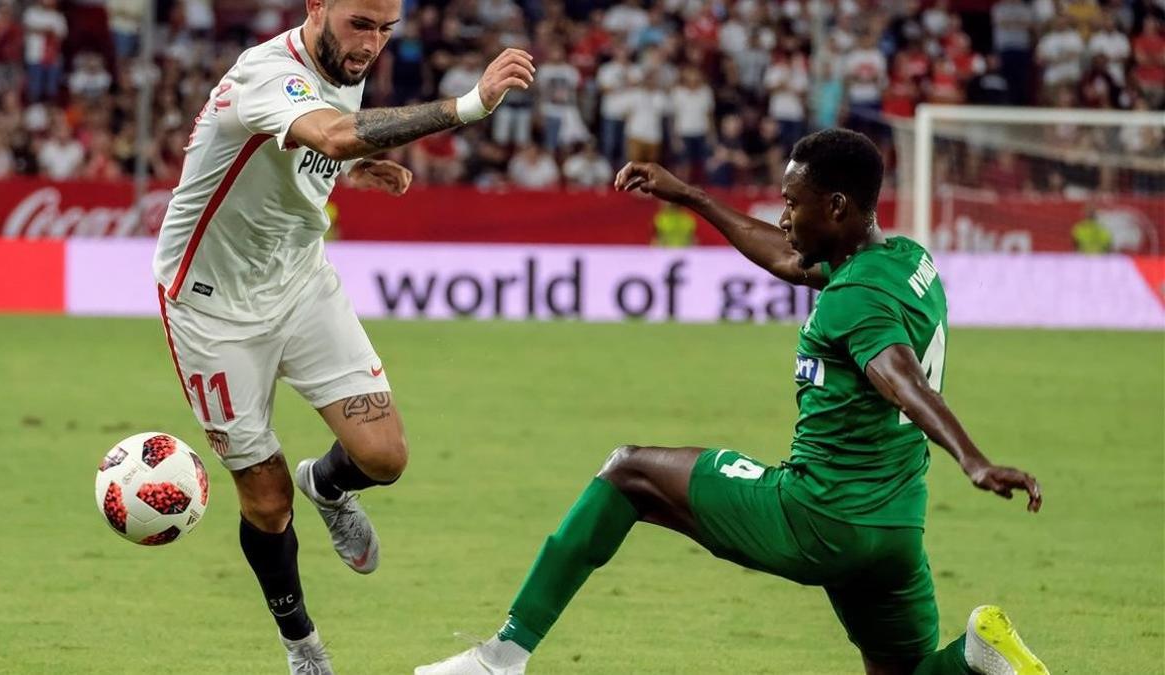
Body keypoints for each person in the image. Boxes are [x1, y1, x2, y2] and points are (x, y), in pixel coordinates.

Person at [415, 129, 1048, 675]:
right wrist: (688, 196)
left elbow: (901, 379)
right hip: (896, 530)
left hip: (817, 516)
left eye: (791, 205)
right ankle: (975, 657)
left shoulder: (853, 300)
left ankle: (500, 657)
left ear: (835, 206)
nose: (782, 217)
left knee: (628, 471)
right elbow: (788, 259)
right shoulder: (907, 262)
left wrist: (974, 459)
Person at [150, 0, 535, 672]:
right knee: (265, 499)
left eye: (386, 30)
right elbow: (327, 132)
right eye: (360, 24)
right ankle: (303, 646)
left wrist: (352, 170)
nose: (371, 45)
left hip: (299, 281)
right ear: (316, 8)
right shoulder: (264, 73)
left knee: (385, 455)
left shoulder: (344, 63)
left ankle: (327, 485)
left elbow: (311, 147)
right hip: (213, 311)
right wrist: (468, 105)